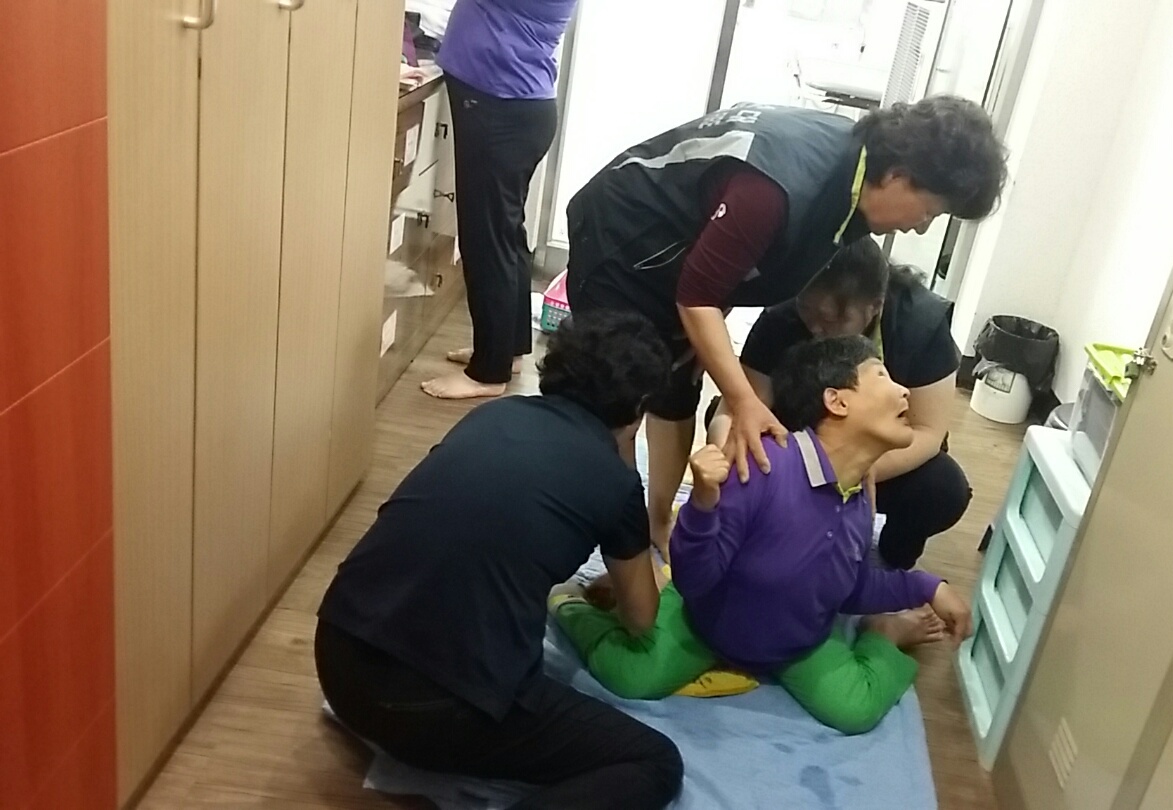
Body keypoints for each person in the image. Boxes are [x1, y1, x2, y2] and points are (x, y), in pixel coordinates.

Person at [564, 96, 1008, 557]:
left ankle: (658, 522)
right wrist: (741, 401)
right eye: (929, 212)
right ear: (898, 176)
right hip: (625, 243)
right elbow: (699, 296)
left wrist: (705, 337)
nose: (921, 228)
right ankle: (618, 539)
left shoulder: (853, 190)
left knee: (678, 386)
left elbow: (729, 270)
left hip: (685, 260)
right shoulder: (778, 189)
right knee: (620, 405)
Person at [316, 311, 683, 810]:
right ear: (638, 410)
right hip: (432, 708)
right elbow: (641, 617)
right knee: (654, 761)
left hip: (338, 655)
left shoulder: (493, 414)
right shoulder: (617, 483)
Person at [551, 336, 974, 735]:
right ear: (837, 401)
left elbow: (847, 586)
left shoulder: (860, 493)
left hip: (799, 642)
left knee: (855, 710)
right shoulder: (762, 466)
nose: (905, 392)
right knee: (631, 676)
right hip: (706, 627)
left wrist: (927, 587)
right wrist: (702, 504)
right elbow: (694, 579)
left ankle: (884, 633)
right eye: (882, 375)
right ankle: (570, 604)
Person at [709, 238, 972, 569]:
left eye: (833, 319)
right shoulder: (783, 315)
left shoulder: (919, 324)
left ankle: (892, 559)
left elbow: (928, 431)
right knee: (734, 438)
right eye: (808, 311)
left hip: (875, 460)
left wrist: (857, 469)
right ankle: (763, 530)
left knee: (942, 488)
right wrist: (729, 457)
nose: (816, 328)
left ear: (874, 307)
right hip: (795, 455)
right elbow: (740, 409)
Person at [422, 0, 578, 399]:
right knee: (504, 236)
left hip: (500, 107)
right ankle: (506, 350)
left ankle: (488, 372)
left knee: (487, 240)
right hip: (511, 105)